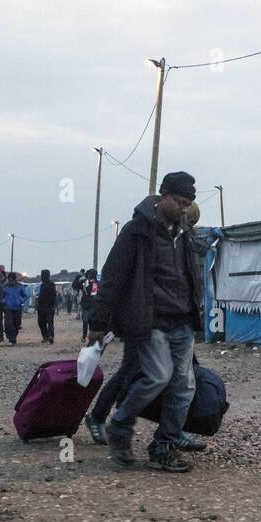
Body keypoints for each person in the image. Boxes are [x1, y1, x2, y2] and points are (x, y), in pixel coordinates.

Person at [88, 171, 204, 472]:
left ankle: (164, 446)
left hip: (182, 321)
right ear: (162, 195)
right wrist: (98, 322)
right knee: (158, 376)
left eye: (188, 204)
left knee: (184, 386)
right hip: (148, 320)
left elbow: (189, 275)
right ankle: (120, 425)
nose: (183, 209)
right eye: (179, 202)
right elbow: (112, 276)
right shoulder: (136, 232)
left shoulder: (184, 233)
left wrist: (195, 310)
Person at [1, 271, 29, 345]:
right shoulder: (5, 286)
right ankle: (11, 339)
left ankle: (13, 336)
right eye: (10, 279)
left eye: (13, 279)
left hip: (17, 308)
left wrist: (21, 301)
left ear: (15, 279)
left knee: (17, 324)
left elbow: (25, 295)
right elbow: (0, 296)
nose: (11, 280)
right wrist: (4, 301)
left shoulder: (19, 286)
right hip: (8, 308)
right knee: (9, 323)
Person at [36, 269, 56, 344]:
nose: (42, 277)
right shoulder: (42, 285)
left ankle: (50, 336)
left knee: (50, 322)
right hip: (41, 307)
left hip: (49, 306)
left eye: (43, 275)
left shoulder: (51, 284)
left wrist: (52, 305)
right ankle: (45, 336)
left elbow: (53, 296)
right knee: (41, 322)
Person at [79, 269, 99, 340]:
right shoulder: (85, 282)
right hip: (86, 305)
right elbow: (75, 285)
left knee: (90, 322)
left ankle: (90, 336)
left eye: (90, 274)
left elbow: (93, 295)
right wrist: (80, 277)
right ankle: (84, 336)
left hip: (92, 306)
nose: (89, 275)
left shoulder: (95, 283)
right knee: (85, 321)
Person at [0, 264, 8, 343]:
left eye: (0, 271)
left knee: (7, 320)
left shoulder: (7, 281)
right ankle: (1, 335)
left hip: (6, 303)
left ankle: (7, 332)